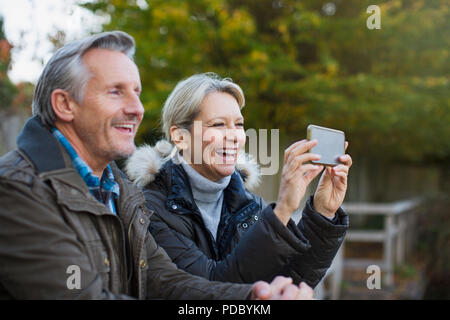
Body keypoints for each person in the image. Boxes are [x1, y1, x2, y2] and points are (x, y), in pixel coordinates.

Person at [0, 31, 314, 300]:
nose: (137, 108)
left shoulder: (118, 190)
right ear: (65, 104)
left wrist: (252, 296)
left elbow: (163, 281)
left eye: (136, 92)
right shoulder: (17, 190)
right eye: (116, 91)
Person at [125, 73, 352, 286]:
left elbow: (290, 280)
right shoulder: (149, 210)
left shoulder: (251, 206)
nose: (234, 136)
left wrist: (323, 212)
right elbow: (213, 286)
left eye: (239, 124)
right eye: (218, 124)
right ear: (180, 137)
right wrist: (282, 210)